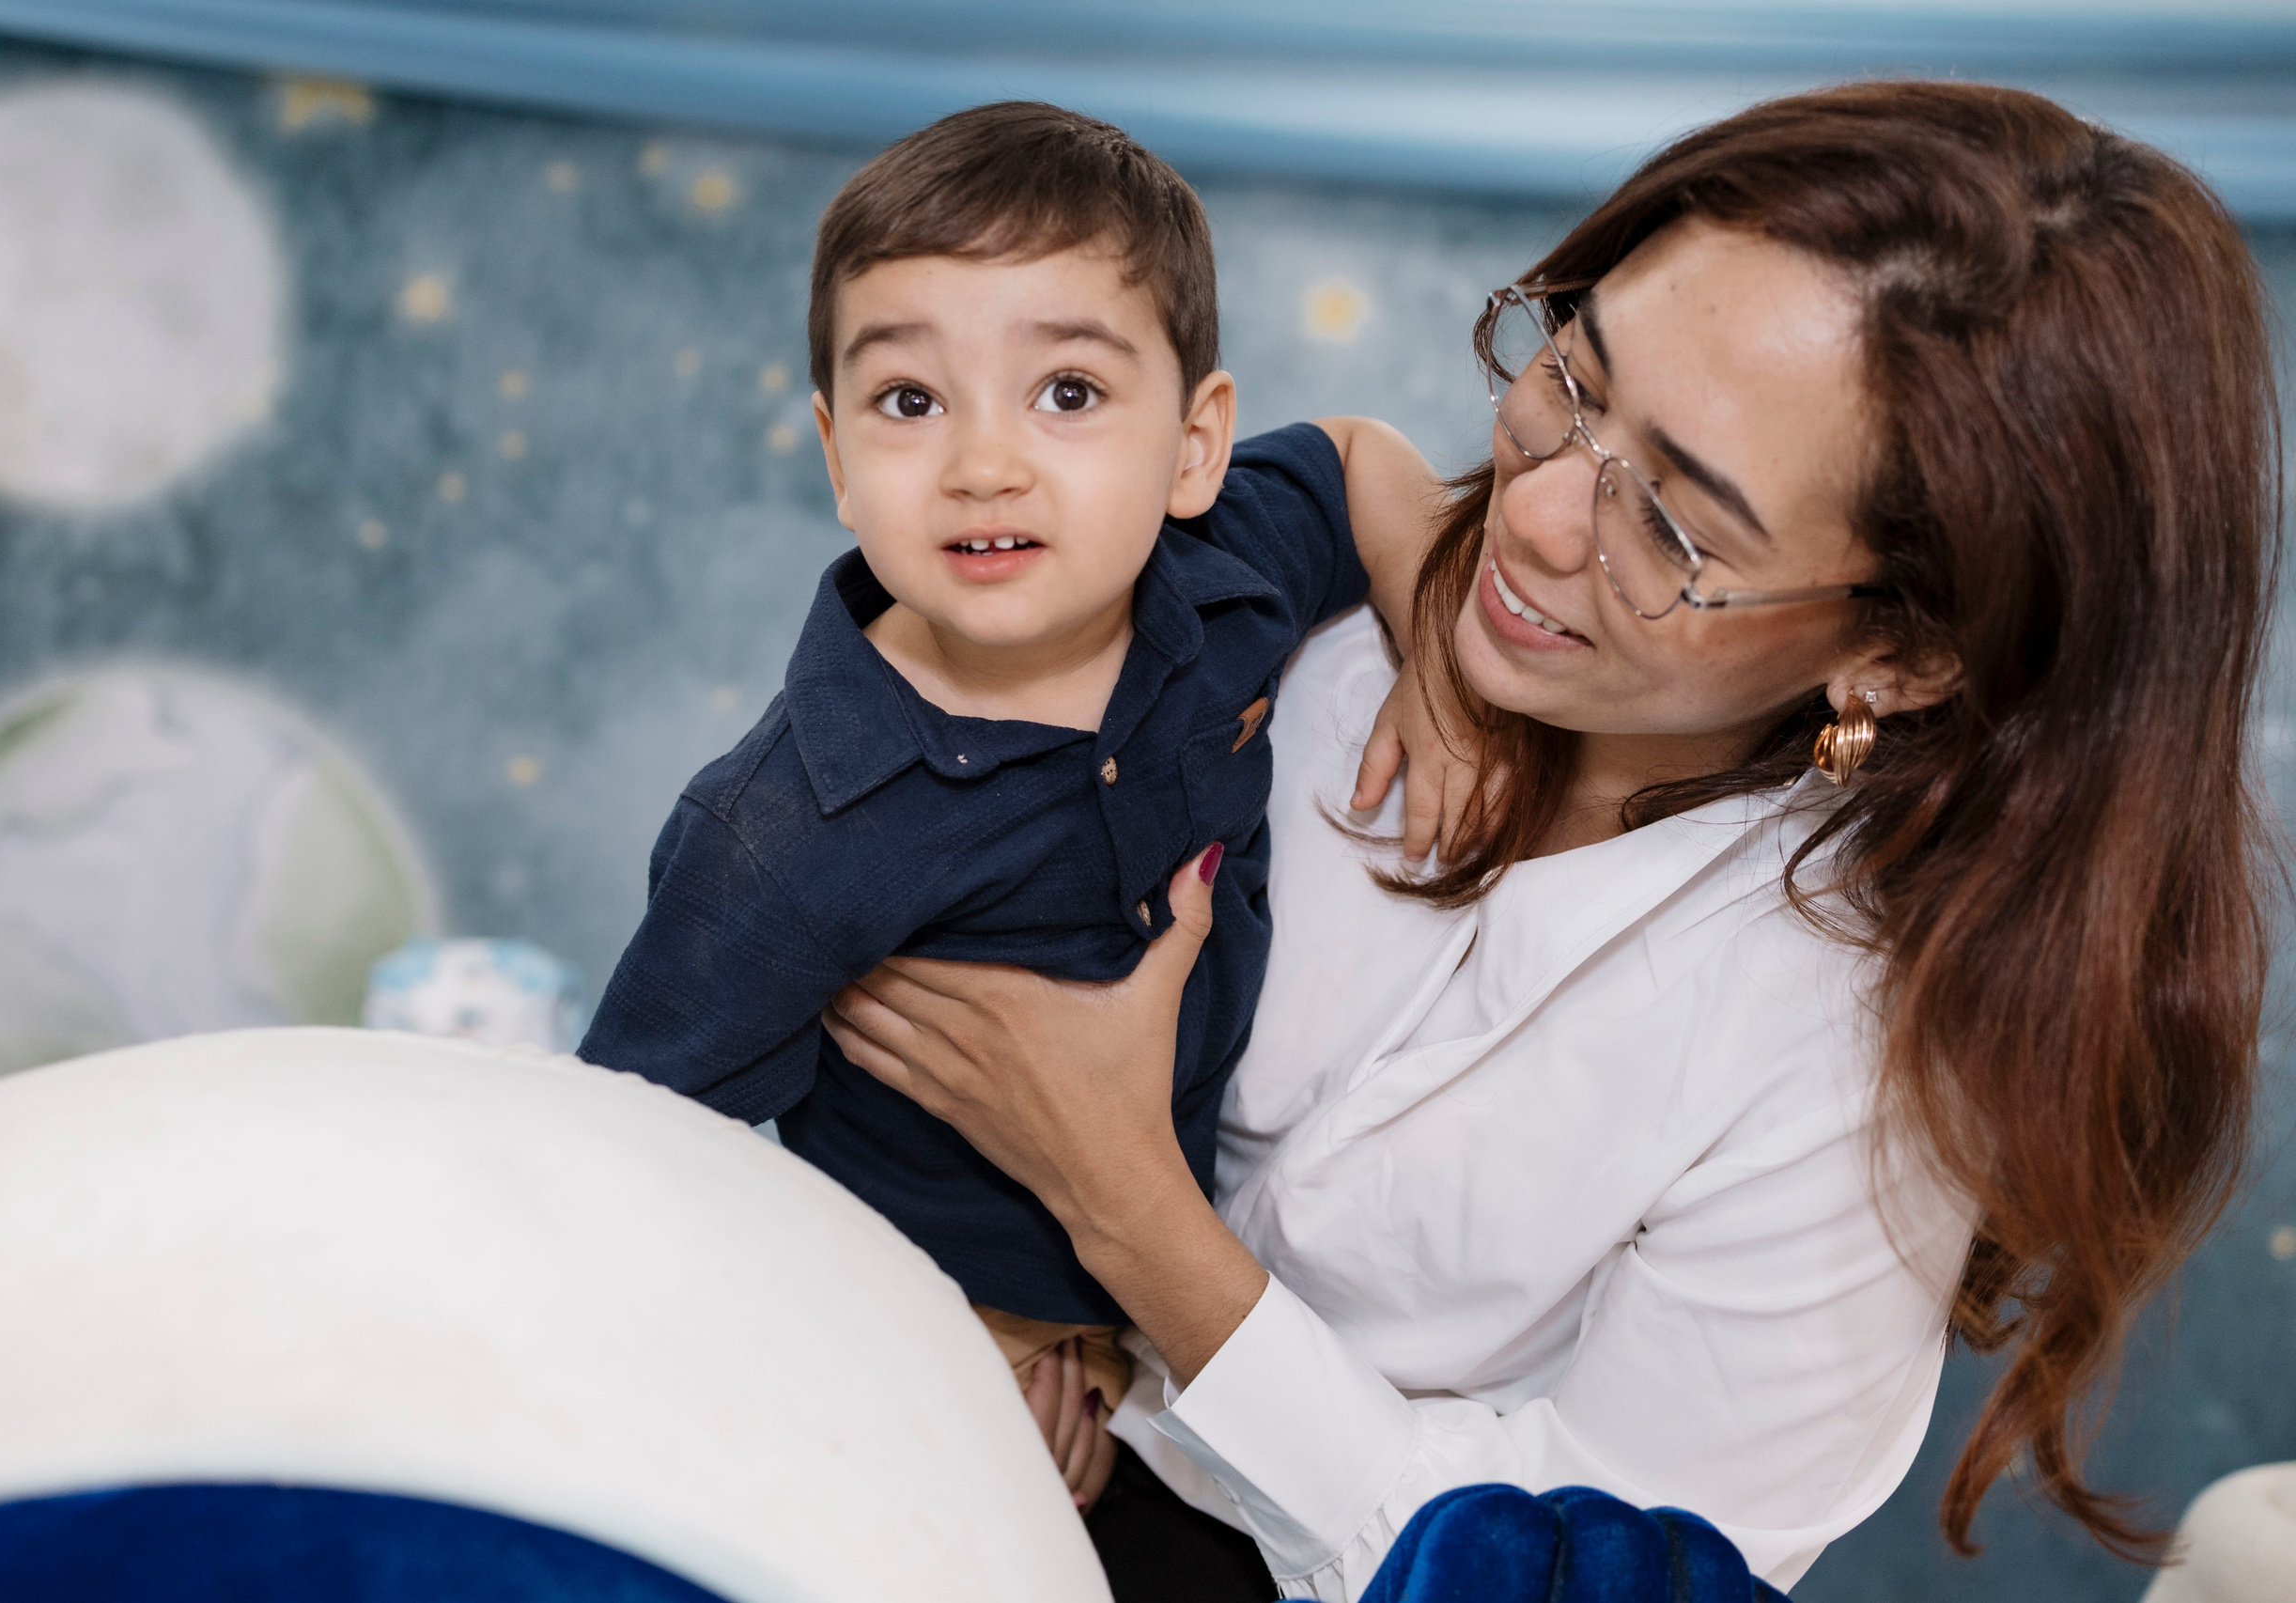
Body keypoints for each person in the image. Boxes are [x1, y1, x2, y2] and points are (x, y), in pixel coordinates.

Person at [820, 81, 2281, 1599]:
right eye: (1572, 376)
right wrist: (993, 1310)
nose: (1535, 517)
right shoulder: (1308, 606)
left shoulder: (1857, 1067)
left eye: (1679, 526)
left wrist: (1128, 1221)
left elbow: (1586, 1565)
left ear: (1906, 654)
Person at [575, 101, 1452, 1502]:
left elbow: (1359, 463)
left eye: (1067, 393)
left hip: (1201, 1275)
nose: (984, 462)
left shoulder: (1226, 575)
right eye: (911, 402)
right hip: (927, 1318)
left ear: (1194, 446)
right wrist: (907, 1357)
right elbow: (625, 1155)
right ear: (837, 458)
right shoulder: (790, 831)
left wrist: (1448, 660)